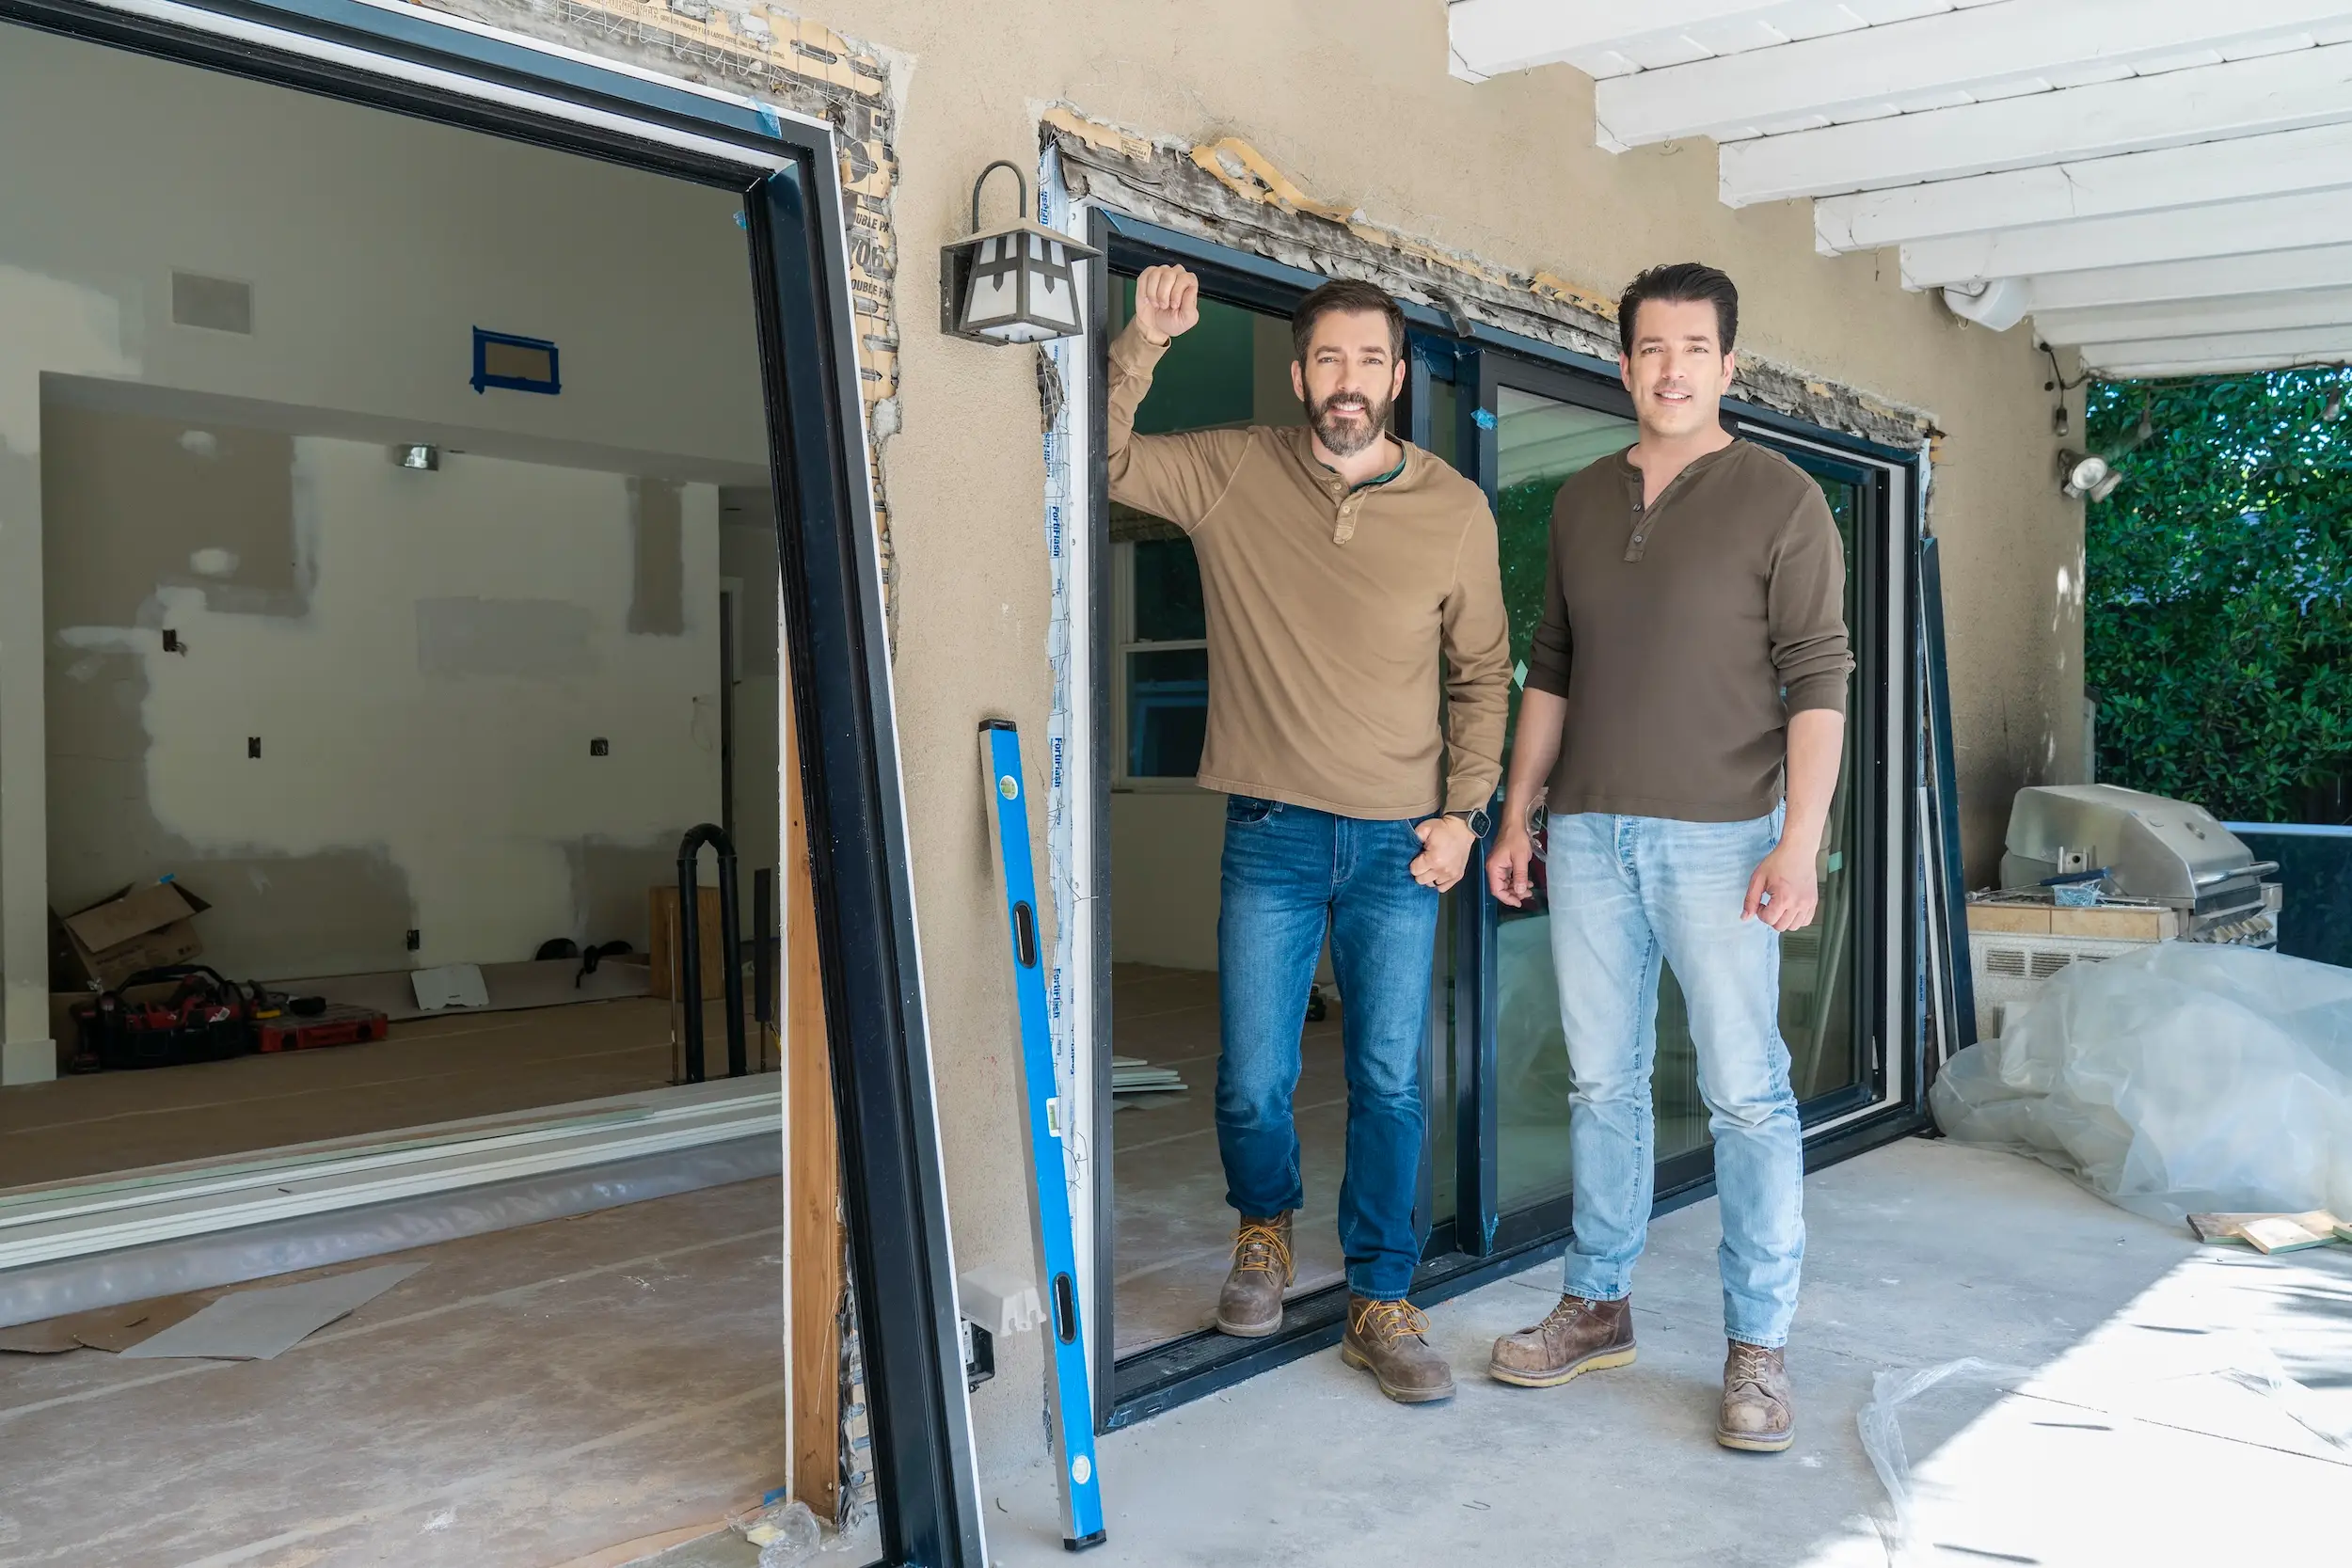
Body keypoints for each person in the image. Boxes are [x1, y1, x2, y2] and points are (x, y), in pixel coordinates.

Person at [1107, 265, 1510, 1403]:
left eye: (1368, 360)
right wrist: (1142, 340)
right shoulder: (1234, 467)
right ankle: (1264, 1232)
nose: (1348, 380)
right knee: (1250, 1079)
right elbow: (1100, 457)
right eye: (1327, 359)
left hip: (1400, 843)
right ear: (1300, 374)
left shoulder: (1453, 508)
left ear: (1396, 375)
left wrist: (1463, 814)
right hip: (1272, 831)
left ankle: (1381, 1294)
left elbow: (1482, 674)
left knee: (1388, 1079)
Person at [1482, 261, 1851, 1452]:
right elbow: (1553, 667)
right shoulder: (1583, 500)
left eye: (1694, 347)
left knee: (1746, 1093)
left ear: (1728, 364)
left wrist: (1799, 839)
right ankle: (1598, 1301)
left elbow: (1819, 680)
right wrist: (1515, 811)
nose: (1670, 367)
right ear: (1623, 361)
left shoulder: (1782, 498)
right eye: (1649, 347)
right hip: (1588, 831)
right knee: (1602, 1081)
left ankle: (1757, 1343)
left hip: (1725, 837)